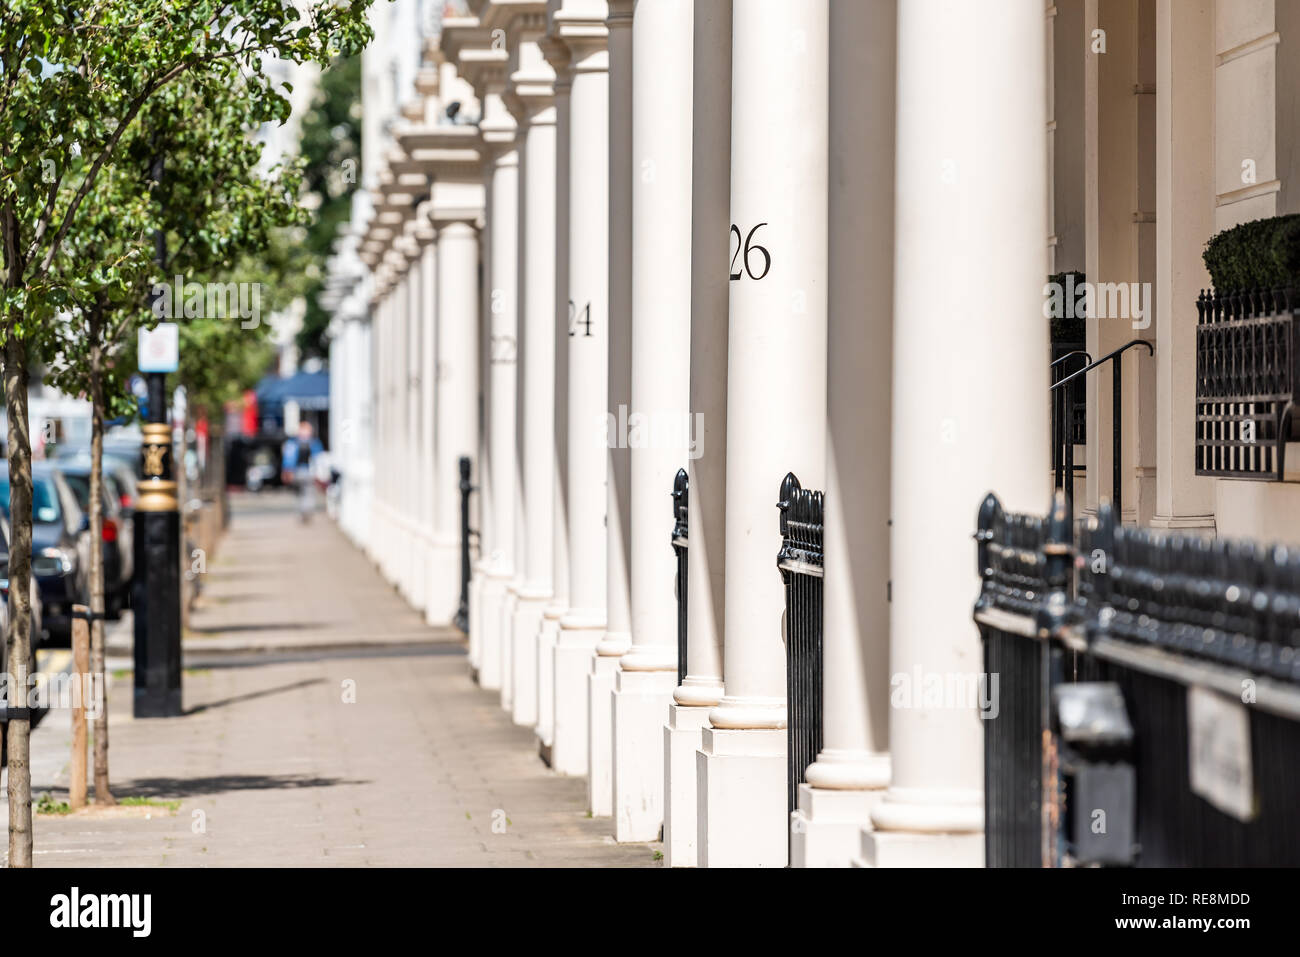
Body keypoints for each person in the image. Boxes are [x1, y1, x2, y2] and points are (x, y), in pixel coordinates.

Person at [281, 422, 324, 522]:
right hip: (300, 472)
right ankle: (304, 512)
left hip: (306, 472)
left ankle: (304, 512)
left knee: (304, 493)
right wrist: (287, 471)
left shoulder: (294, 443)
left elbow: (319, 460)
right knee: (303, 493)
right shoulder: (313, 443)